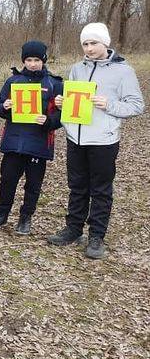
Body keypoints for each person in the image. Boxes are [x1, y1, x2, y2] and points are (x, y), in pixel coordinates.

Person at [48, 23, 144, 259]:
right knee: (77, 186)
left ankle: (96, 237)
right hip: (76, 138)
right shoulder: (76, 69)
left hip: (103, 140)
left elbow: (137, 105)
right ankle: (73, 229)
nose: (89, 48)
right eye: (85, 44)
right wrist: (62, 102)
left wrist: (108, 104)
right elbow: (72, 99)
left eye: (94, 43)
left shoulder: (123, 71)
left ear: (105, 43)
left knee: (100, 190)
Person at [0, 41, 63, 235]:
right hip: (14, 141)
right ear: (23, 61)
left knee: (33, 185)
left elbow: (63, 116)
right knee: (8, 180)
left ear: (43, 60)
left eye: (37, 60)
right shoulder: (13, 81)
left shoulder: (55, 84)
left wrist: (48, 120)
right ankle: (1, 215)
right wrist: (4, 107)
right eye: (29, 60)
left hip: (39, 143)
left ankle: (25, 218)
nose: (33, 63)